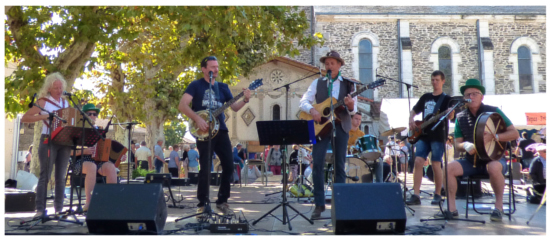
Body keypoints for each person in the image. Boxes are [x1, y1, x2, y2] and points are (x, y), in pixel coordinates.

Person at [178, 56, 251, 217]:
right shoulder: (195, 85)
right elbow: (182, 105)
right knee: (205, 168)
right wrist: (197, 118)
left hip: (221, 130)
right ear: (204, 69)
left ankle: (222, 201)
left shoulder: (222, 87)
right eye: (212, 67)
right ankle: (203, 203)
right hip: (203, 131)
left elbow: (235, 107)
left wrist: (245, 99)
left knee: (229, 166)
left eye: (217, 67)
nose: (215, 70)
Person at [440, 78, 519, 222]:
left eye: (475, 94)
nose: (471, 97)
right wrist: (466, 146)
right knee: (448, 168)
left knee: (493, 167)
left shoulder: (494, 111)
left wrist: (494, 137)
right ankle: (451, 209)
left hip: (494, 158)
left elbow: (514, 133)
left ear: (482, 96)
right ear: (464, 99)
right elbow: (458, 143)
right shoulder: (460, 116)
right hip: (472, 161)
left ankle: (498, 207)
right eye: (468, 94)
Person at [299, 50, 357, 219]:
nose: (329, 66)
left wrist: (351, 105)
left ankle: (338, 204)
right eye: (327, 64)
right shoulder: (318, 83)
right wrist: (312, 110)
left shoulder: (349, 85)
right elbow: (303, 100)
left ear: (339, 65)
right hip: (321, 127)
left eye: (332, 63)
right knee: (317, 164)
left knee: (339, 165)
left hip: (341, 126)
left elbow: (355, 111)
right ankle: (319, 204)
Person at [21, 72, 72, 217]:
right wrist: (46, 116)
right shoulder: (43, 101)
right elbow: (26, 117)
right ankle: (39, 209)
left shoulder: (66, 103)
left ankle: (59, 210)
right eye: (55, 88)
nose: (59, 90)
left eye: (60, 87)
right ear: (49, 88)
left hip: (64, 140)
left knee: (61, 177)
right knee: (45, 175)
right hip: (48, 139)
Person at [406, 70, 454, 206]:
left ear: (443, 81)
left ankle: (438, 193)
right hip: (423, 134)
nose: (434, 82)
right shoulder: (426, 97)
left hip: (438, 135)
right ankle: (415, 194)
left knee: (436, 163)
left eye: (437, 80)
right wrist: (411, 119)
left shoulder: (446, 99)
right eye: (433, 79)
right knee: (418, 161)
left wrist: (451, 114)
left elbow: (451, 117)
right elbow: (415, 109)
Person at [70, 103, 118, 212]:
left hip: (98, 161)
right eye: (89, 114)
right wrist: (84, 151)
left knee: (111, 167)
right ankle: (89, 202)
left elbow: (105, 150)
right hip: (79, 161)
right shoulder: (76, 130)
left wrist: (117, 157)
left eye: (94, 114)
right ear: (83, 115)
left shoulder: (100, 131)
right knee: (92, 167)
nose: (92, 116)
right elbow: (68, 152)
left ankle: (113, 201)